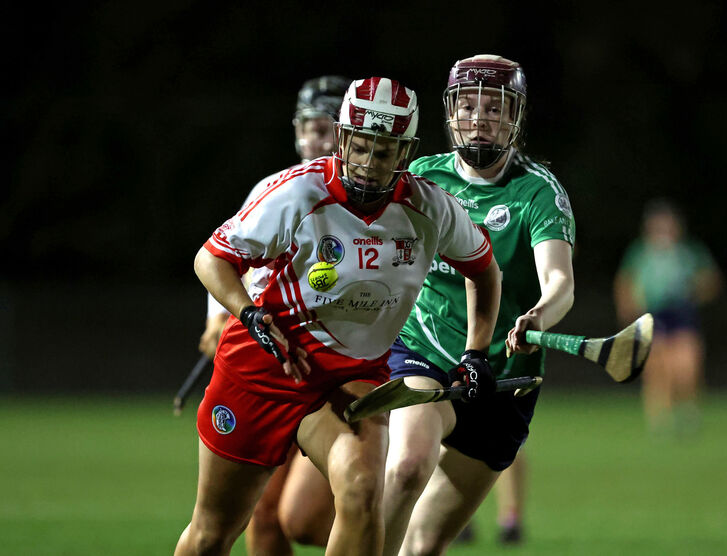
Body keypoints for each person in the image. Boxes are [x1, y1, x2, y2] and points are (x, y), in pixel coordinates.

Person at [175, 76, 503, 556]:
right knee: (212, 534)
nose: (368, 164)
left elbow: (485, 271)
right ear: (343, 138)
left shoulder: (430, 207)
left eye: (384, 152)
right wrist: (248, 313)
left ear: (406, 153)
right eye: (361, 147)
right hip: (267, 367)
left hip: (353, 375)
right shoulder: (299, 192)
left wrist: (476, 352)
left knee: (363, 490)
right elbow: (211, 259)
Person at [382, 54, 576, 555]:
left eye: (495, 107)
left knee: (423, 545)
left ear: (515, 117)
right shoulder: (421, 178)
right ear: (450, 112)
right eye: (468, 105)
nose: (479, 118)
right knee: (407, 467)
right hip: (426, 351)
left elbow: (559, 280)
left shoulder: (537, 191)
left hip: (502, 378)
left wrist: (539, 313)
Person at [196, 75, 348, 555]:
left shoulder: (370, 202)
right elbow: (227, 256)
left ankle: (404, 530)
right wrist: (219, 319)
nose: (314, 141)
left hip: (334, 370)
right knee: (261, 515)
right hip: (273, 364)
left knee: (302, 518)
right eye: (307, 128)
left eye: (324, 130)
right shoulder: (277, 188)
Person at [614, 198, 721, 435]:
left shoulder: (689, 252)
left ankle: (688, 409)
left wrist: (696, 290)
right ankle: (659, 418)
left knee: (686, 366)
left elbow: (710, 281)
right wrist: (627, 309)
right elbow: (625, 281)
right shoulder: (640, 253)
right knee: (656, 368)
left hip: (682, 314)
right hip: (653, 314)